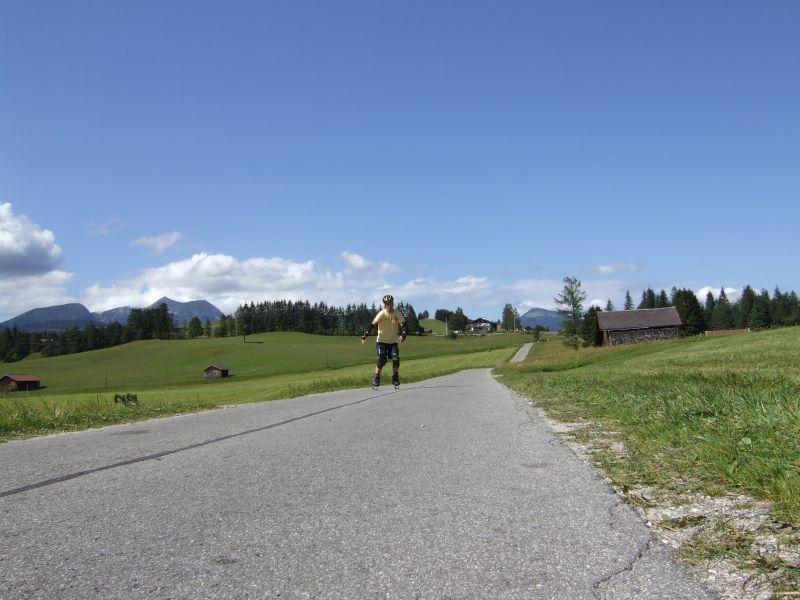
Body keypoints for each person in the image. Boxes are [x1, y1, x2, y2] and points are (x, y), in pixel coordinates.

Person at [361, 294, 408, 388]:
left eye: (391, 303)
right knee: (382, 359)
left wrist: (403, 334)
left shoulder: (397, 313)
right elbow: (372, 325)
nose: (390, 305)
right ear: (385, 304)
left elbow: (404, 325)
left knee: (396, 359)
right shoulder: (382, 314)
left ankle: (395, 377)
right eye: (387, 303)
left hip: (393, 342)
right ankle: (377, 378)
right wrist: (365, 334)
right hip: (381, 341)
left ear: (393, 303)